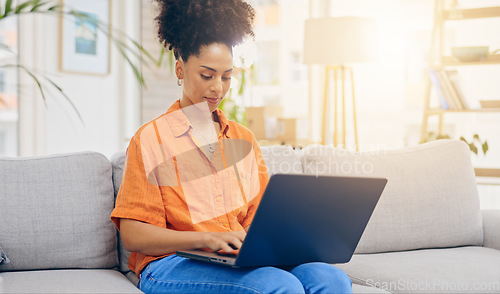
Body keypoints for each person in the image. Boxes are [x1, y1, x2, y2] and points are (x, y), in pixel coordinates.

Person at [111, 0, 353, 293]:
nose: (218, 88)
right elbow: (134, 235)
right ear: (180, 69)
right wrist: (207, 239)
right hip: (170, 263)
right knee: (277, 285)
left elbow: (260, 220)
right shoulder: (151, 139)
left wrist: (273, 240)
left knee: (331, 279)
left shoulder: (243, 139)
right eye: (207, 75)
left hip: (234, 258)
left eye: (226, 77)